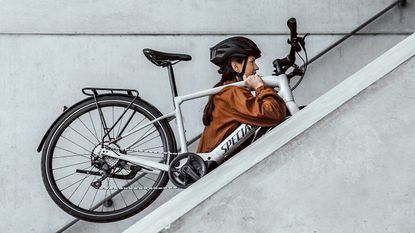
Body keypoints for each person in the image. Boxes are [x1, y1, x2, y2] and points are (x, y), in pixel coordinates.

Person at [197, 36, 287, 154]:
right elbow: (274, 113)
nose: (256, 67)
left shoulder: (231, 91)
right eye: (252, 61)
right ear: (236, 66)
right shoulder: (230, 93)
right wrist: (260, 87)